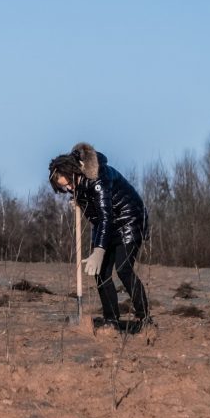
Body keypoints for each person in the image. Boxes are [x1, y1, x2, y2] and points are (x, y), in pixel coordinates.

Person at [48, 143, 151, 333]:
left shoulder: (98, 179)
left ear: (73, 172)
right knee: (101, 274)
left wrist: (99, 250)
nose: (69, 188)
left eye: (69, 184)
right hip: (107, 226)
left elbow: (106, 216)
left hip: (129, 221)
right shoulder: (79, 182)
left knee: (123, 269)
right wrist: (80, 201)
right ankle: (111, 320)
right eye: (65, 188)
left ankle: (145, 319)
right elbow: (99, 216)